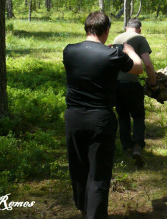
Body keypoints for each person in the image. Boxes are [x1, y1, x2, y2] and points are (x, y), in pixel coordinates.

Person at [63, 12, 142, 219]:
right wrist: (130, 51)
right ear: (106, 31)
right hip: (100, 118)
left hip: (73, 117)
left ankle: (83, 208)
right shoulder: (113, 55)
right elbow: (138, 68)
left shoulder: (69, 51)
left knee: (78, 168)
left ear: (86, 28)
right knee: (98, 173)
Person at [113, 18, 157, 167]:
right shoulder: (140, 39)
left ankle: (126, 147)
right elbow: (148, 63)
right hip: (132, 84)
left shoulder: (117, 38)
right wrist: (153, 82)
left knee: (123, 116)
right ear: (140, 28)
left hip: (116, 84)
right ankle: (138, 146)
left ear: (126, 28)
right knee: (138, 116)